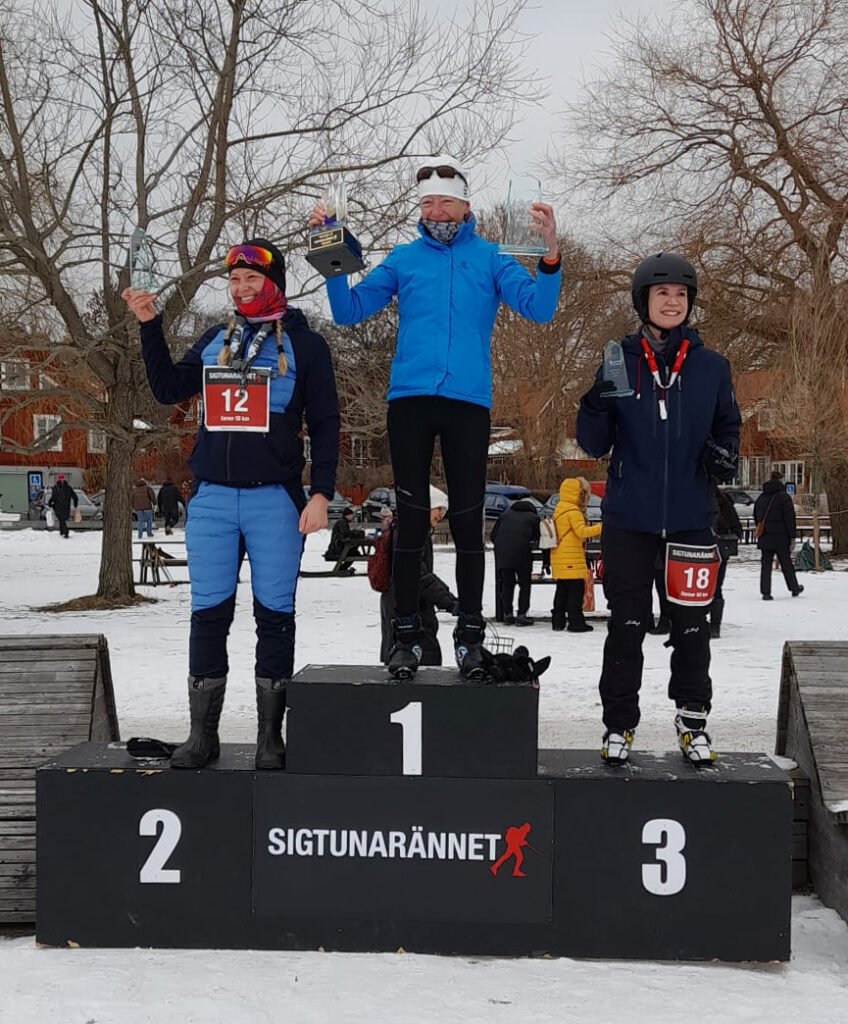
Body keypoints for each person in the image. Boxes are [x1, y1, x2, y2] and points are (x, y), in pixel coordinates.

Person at [309, 155, 561, 679]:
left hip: (468, 402)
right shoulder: (404, 259)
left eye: (444, 200)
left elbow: (538, 308)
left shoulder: (491, 257)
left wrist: (551, 256)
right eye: (426, 202)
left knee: (470, 524)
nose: (435, 210)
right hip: (410, 400)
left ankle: (469, 636)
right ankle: (405, 635)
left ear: (466, 205)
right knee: (410, 524)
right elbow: (348, 311)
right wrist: (331, 257)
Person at [123, 238, 339, 770]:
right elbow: (169, 389)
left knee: (275, 616)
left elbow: (329, 424)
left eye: (252, 280)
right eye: (235, 281)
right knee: (208, 614)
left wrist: (321, 493)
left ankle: (270, 736)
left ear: (275, 283)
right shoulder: (218, 338)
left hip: (274, 502)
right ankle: (203, 735)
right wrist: (150, 325)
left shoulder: (307, 348)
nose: (242, 289)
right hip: (214, 501)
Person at [576, 252, 741, 765]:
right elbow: (591, 442)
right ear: (643, 301)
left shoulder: (713, 366)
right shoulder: (619, 358)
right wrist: (597, 401)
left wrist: (724, 457)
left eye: (681, 294)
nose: (672, 301)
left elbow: (728, 427)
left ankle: (693, 721)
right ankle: (619, 725)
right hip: (630, 521)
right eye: (662, 293)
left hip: (691, 521)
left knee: (692, 630)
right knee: (626, 628)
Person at [379, 486, 458, 667]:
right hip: (408, 606)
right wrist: (448, 601)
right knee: (420, 663)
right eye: (439, 509)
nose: (441, 515)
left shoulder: (413, 529)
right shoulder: (410, 532)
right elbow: (418, 574)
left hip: (405, 602)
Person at [550, 477, 602, 632]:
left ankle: (558, 621)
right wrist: (601, 527)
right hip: (571, 558)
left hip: (559, 557)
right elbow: (582, 532)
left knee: (562, 590)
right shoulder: (573, 512)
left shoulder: (559, 508)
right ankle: (576, 622)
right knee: (575, 592)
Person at [754, 470, 804, 601]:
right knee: (786, 564)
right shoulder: (783, 497)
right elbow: (789, 518)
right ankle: (794, 587)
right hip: (781, 537)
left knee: (766, 565)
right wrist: (792, 536)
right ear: (781, 480)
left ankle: (765, 592)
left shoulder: (761, 497)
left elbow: (757, 517)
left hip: (765, 536)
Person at [491, 499, 540, 626]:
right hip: (522, 554)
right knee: (524, 585)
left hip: (503, 556)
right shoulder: (533, 518)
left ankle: (507, 614)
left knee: (507, 585)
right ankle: (522, 615)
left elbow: (493, 535)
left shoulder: (504, 515)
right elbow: (537, 537)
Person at [711, 484, 742, 636]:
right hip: (721, 549)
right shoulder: (724, 501)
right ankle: (715, 625)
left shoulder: (692, 499)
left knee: (703, 586)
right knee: (716, 586)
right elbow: (736, 525)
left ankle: (702, 622)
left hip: (702, 549)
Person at [324, 506, 364, 573]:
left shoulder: (343, 522)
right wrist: (355, 533)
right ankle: (341, 569)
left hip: (337, 547)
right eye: (351, 515)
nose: (352, 517)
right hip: (336, 548)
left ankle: (341, 569)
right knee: (354, 553)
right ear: (347, 515)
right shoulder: (342, 522)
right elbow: (345, 534)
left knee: (355, 553)